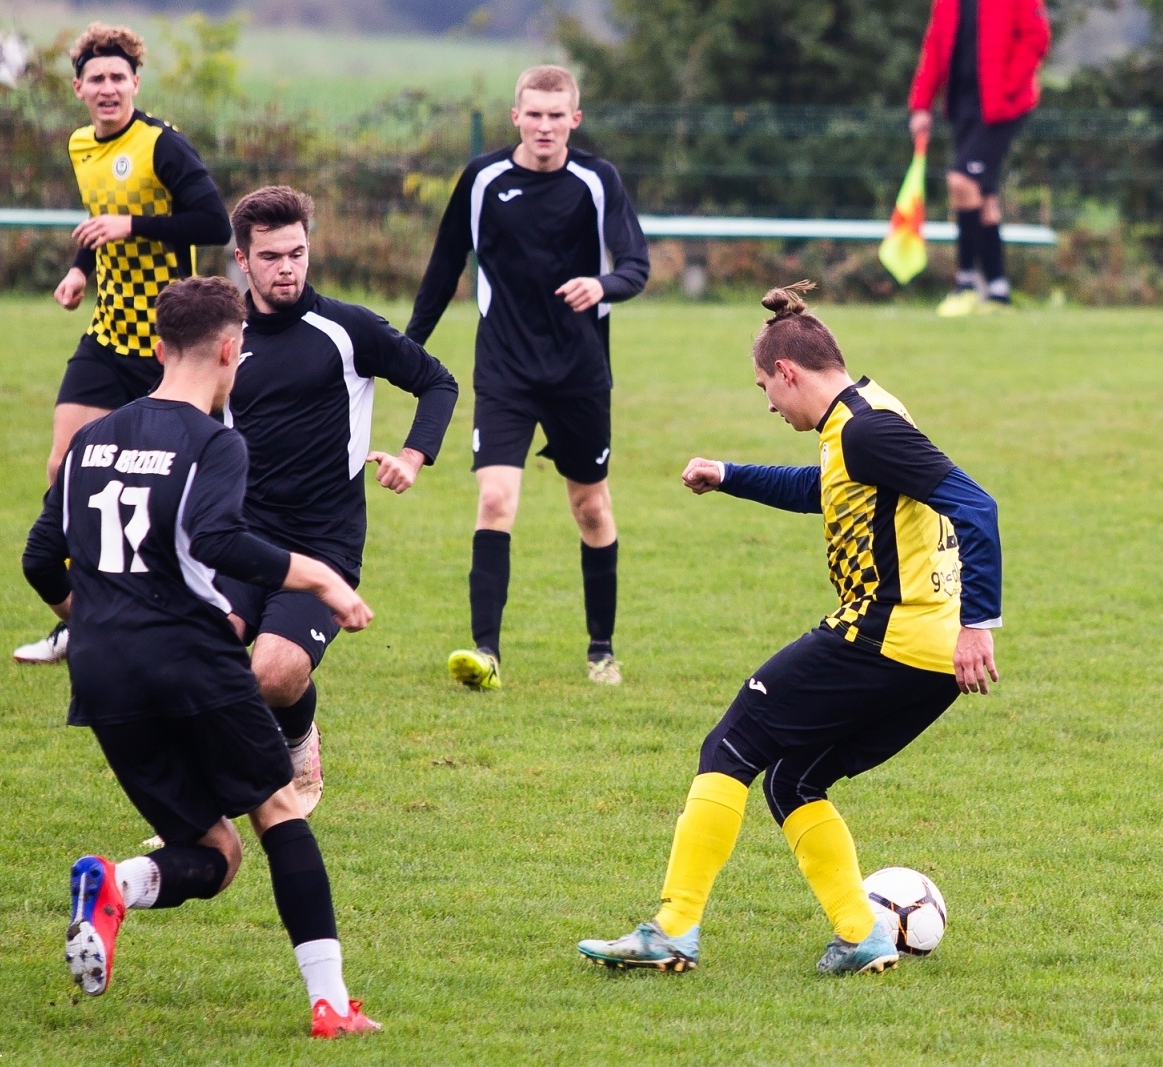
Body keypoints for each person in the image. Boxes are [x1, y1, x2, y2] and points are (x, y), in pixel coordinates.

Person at [577, 282, 1002, 976]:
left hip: (883, 638)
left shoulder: (865, 429)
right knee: (793, 781)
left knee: (730, 744)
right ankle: (862, 934)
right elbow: (823, 490)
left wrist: (978, 625)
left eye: (764, 389)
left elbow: (977, 505)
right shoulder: (862, 417)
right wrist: (730, 475)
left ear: (787, 371)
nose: (769, 405)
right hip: (927, 662)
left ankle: (673, 928)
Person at [21, 276, 380, 1038]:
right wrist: (321, 577)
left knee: (215, 852)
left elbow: (40, 558)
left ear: (157, 349)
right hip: (188, 657)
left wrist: (95, 621)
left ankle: (116, 885)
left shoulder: (90, 439)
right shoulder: (216, 442)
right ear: (230, 350)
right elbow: (220, 540)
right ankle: (330, 1004)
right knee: (277, 809)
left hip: (102, 674)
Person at [406, 64, 650, 691]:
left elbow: (636, 266)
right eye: (533, 114)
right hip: (505, 369)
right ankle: (485, 652)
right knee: (494, 499)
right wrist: (406, 349)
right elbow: (444, 266)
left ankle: (602, 651)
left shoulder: (597, 179)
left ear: (575, 119)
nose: (544, 126)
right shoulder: (483, 178)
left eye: (556, 115)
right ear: (515, 116)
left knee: (590, 507)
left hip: (579, 373)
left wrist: (602, 284)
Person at [220, 185, 458, 815]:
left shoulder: (346, 328)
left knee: (272, 674)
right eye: (271, 257)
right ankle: (199, 816)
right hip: (238, 538)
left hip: (322, 545)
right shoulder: (224, 335)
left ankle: (298, 738)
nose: (287, 268)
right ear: (243, 260)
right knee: (197, 659)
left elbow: (437, 382)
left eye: (297, 253)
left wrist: (412, 457)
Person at [15, 22, 233, 664]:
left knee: (188, 488)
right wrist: (79, 270)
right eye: (96, 79)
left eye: (118, 77)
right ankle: (85, 621)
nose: (108, 88)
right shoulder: (81, 144)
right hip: (108, 335)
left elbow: (213, 222)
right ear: (78, 89)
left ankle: (207, 611)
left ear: (136, 83)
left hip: (171, 346)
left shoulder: (162, 145)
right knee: (64, 468)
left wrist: (133, 225)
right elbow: (99, 219)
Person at [907, 0, 1050, 315]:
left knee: (961, 181)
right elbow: (935, 46)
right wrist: (921, 105)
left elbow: (1036, 38)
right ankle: (998, 292)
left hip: (1001, 108)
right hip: (962, 107)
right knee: (983, 196)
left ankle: (966, 284)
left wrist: (1008, 88)